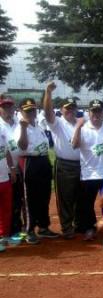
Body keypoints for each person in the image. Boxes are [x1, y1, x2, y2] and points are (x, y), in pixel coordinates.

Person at [43, 82, 83, 239]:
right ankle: (67, 227)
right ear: (61, 110)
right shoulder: (58, 123)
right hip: (65, 165)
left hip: (82, 165)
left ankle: (79, 224)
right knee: (65, 198)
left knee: (80, 197)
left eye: (73, 108)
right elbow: (48, 113)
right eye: (67, 108)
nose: (70, 111)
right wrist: (48, 92)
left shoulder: (81, 122)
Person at [72, 100, 103, 241]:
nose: (96, 114)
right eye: (93, 111)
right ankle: (90, 228)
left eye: (99, 111)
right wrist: (78, 127)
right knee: (87, 204)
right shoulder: (83, 128)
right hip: (89, 173)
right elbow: (74, 145)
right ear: (89, 113)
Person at [16, 98, 58, 244]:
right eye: (27, 111)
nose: (31, 113)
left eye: (32, 110)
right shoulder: (20, 127)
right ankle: (29, 230)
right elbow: (22, 146)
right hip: (29, 162)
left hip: (43, 161)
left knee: (44, 196)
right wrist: (23, 128)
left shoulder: (38, 126)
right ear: (21, 111)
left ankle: (43, 227)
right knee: (30, 198)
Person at [0, 95, 24, 245]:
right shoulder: (0, 125)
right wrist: (12, 168)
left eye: (10, 106)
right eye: (4, 107)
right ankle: (5, 233)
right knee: (6, 204)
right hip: (6, 170)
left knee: (17, 201)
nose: (8, 109)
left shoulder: (18, 122)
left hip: (18, 168)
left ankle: (15, 230)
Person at [0, 117, 17, 252]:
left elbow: (6, 152)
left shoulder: (1, 131)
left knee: (6, 210)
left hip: (5, 178)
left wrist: (12, 169)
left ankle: (3, 236)